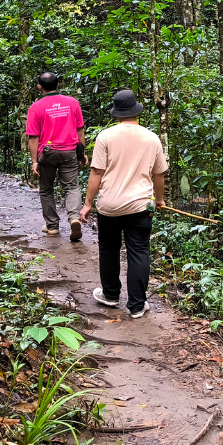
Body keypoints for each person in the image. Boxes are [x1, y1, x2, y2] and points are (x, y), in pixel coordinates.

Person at [79, 89, 168, 319]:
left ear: (116, 113)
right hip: (140, 207)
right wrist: (159, 200)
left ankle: (110, 295)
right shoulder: (151, 138)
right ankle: (137, 305)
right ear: (136, 110)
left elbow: (97, 173)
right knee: (139, 251)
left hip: (109, 206)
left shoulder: (105, 137)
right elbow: (159, 175)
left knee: (109, 249)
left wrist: (88, 203)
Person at [25, 72, 86, 241]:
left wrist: (34, 162)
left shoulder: (36, 107)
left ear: (39, 87)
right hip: (69, 150)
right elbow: (80, 129)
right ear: (58, 85)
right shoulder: (72, 102)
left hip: (48, 152)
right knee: (72, 187)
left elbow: (33, 137)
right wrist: (82, 153)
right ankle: (74, 218)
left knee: (46, 189)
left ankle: (52, 226)